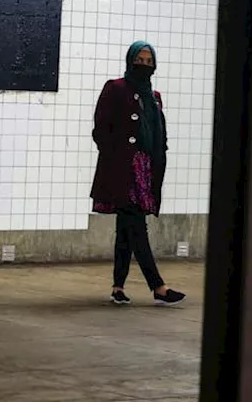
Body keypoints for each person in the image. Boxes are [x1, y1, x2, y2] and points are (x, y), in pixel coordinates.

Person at [90, 41, 185, 306]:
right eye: (139, 60)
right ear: (130, 60)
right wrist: (113, 156)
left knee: (127, 228)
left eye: (148, 61)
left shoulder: (154, 97)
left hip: (145, 168)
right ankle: (158, 286)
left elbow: (158, 133)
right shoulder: (116, 88)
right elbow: (100, 128)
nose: (144, 65)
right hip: (123, 169)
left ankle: (118, 286)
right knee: (136, 225)